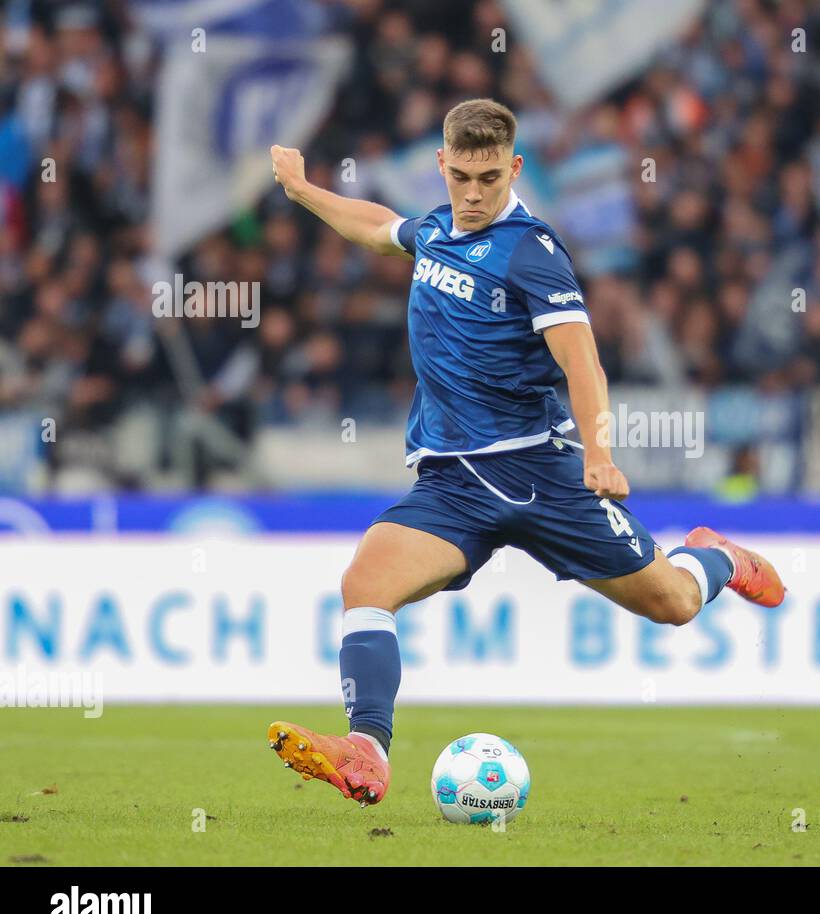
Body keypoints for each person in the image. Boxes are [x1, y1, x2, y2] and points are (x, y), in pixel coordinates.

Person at [263, 99, 785, 806]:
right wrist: (301, 190)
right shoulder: (436, 230)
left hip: (541, 473)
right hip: (451, 481)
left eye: (489, 180)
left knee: (674, 601)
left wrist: (599, 454)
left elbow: (583, 365)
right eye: (461, 179)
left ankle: (720, 556)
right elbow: (377, 229)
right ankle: (366, 749)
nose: (474, 195)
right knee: (365, 584)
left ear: (514, 168)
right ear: (441, 166)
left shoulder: (532, 252)